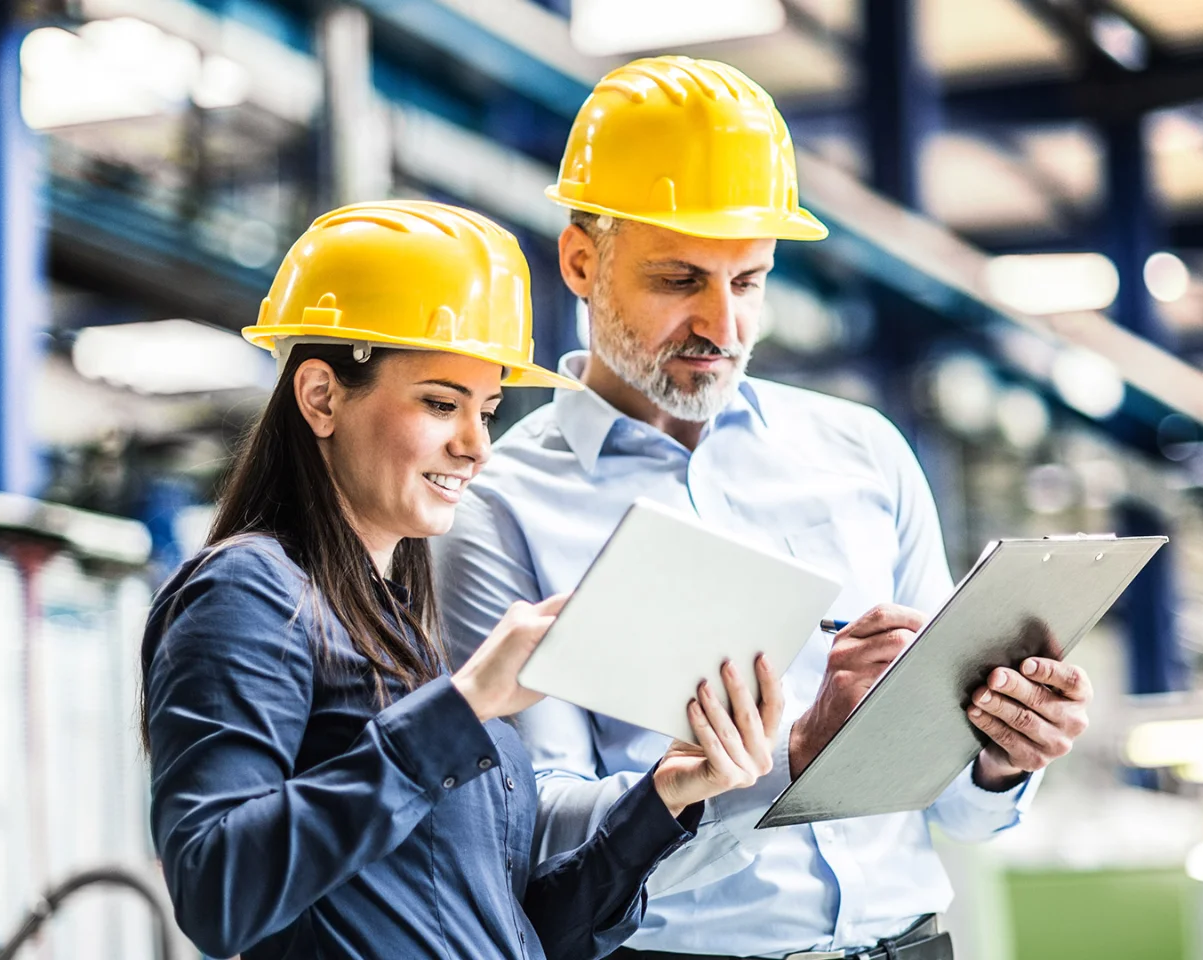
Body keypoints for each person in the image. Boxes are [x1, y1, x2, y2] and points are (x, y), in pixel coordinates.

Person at [434, 57, 1094, 960]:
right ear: (583, 260)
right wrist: (791, 753)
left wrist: (1000, 752)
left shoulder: (864, 456)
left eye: (748, 282)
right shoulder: (497, 511)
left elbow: (962, 812)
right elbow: (538, 836)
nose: (724, 326)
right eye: (680, 281)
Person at [140, 200, 784, 960]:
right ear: (321, 397)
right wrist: (467, 702)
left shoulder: (402, 636)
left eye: (488, 408)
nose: (477, 445)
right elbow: (217, 889)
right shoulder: (249, 594)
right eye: (441, 403)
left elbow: (510, 930)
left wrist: (664, 796)